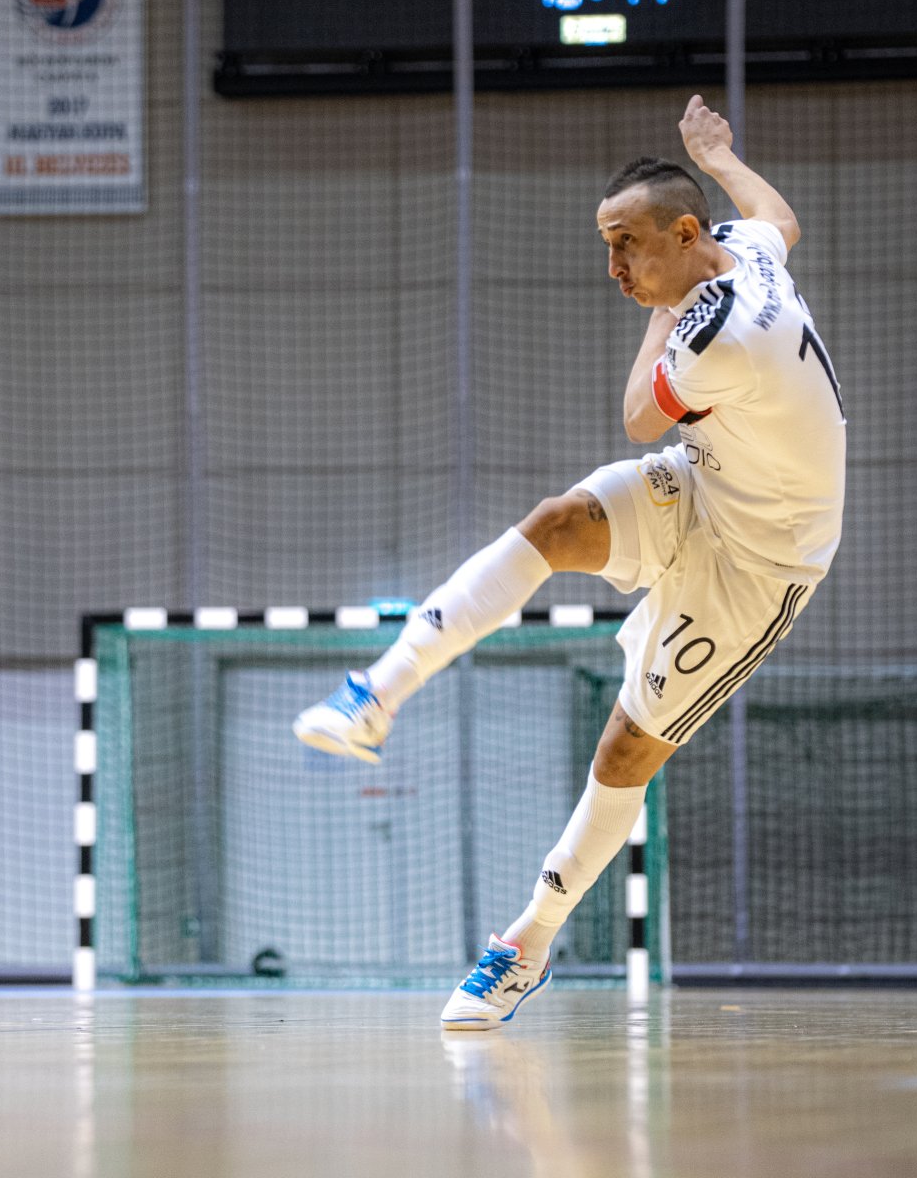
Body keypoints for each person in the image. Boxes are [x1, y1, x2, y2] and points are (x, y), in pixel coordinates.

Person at [295, 95, 845, 1028]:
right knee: (556, 523)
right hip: (709, 480)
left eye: (627, 244)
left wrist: (668, 309)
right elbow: (778, 221)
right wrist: (718, 154)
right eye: (607, 246)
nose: (614, 267)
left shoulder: (721, 336)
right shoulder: (741, 254)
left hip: (762, 563)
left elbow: (637, 413)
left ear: (680, 234)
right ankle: (374, 694)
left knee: (628, 749)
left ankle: (527, 945)